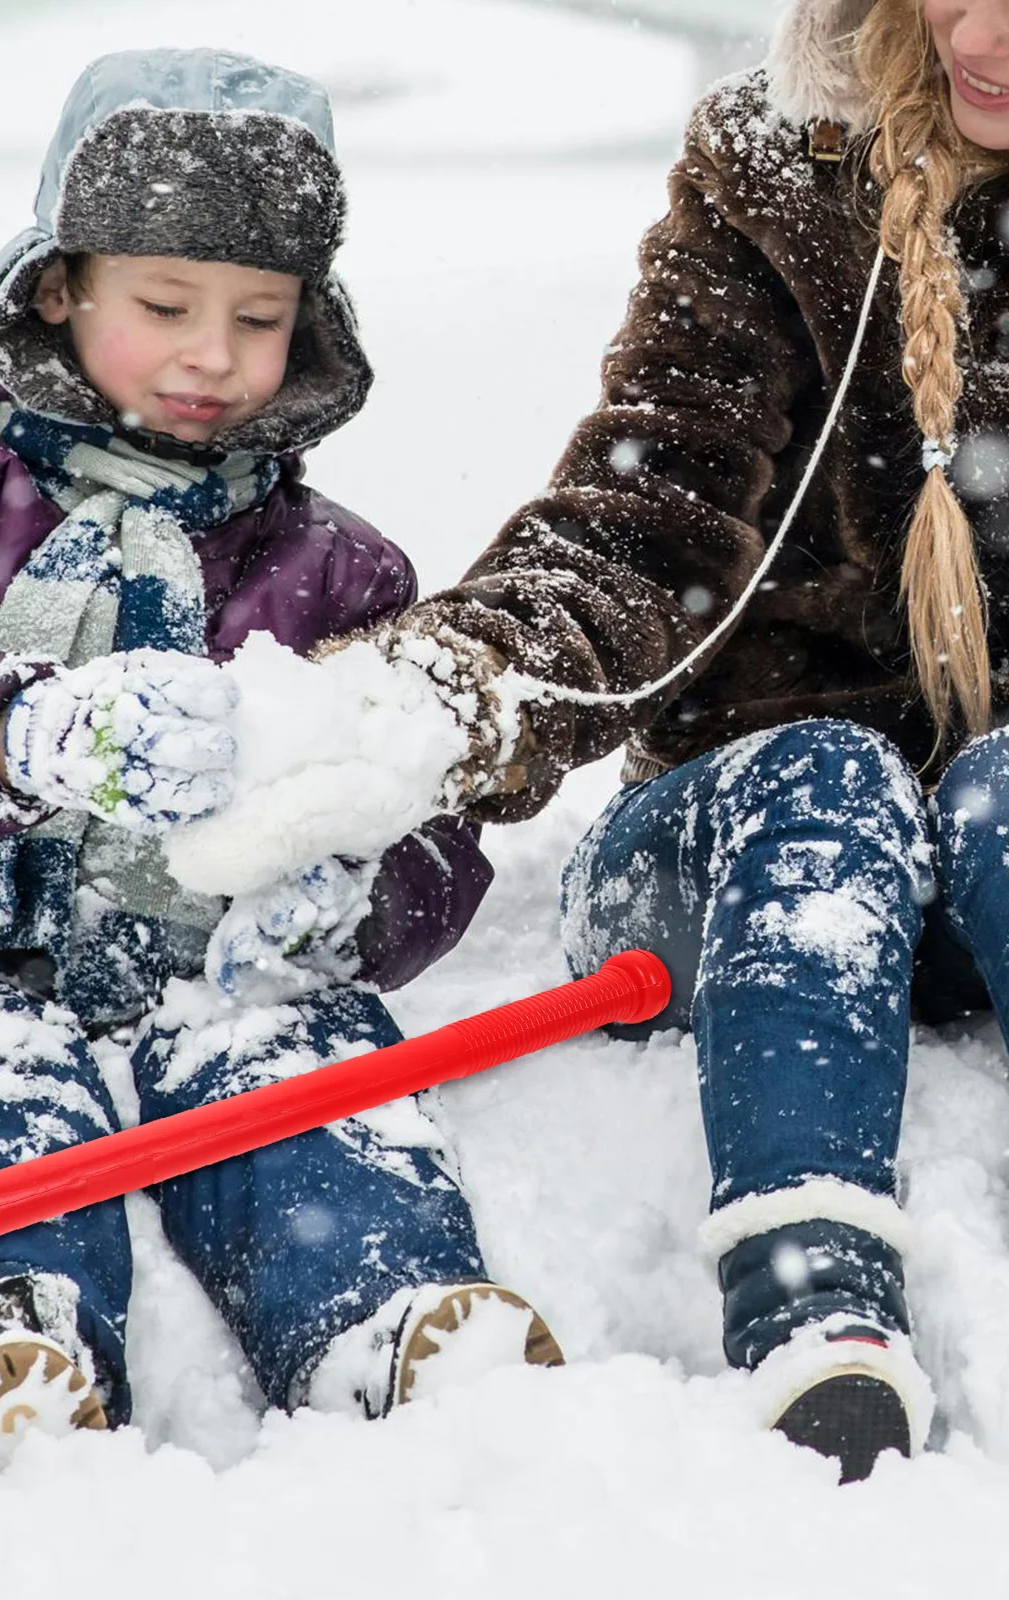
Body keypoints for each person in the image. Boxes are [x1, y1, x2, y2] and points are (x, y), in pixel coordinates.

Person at [0, 47, 561, 1481]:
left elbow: (423, 815)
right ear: (60, 286)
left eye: (259, 317)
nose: (213, 357)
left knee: (300, 1077)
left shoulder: (338, 569)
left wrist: (356, 899)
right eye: (167, 306)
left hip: (215, 966)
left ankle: (383, 1307)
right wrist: (16, 729)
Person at [346, 0, 1009, 1484]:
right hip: (728, 851)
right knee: (826, 774)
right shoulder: (780, 165)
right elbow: (645, 525)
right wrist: (444, 695)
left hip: (989, 861)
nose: (986, 30)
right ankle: (811, 1290)